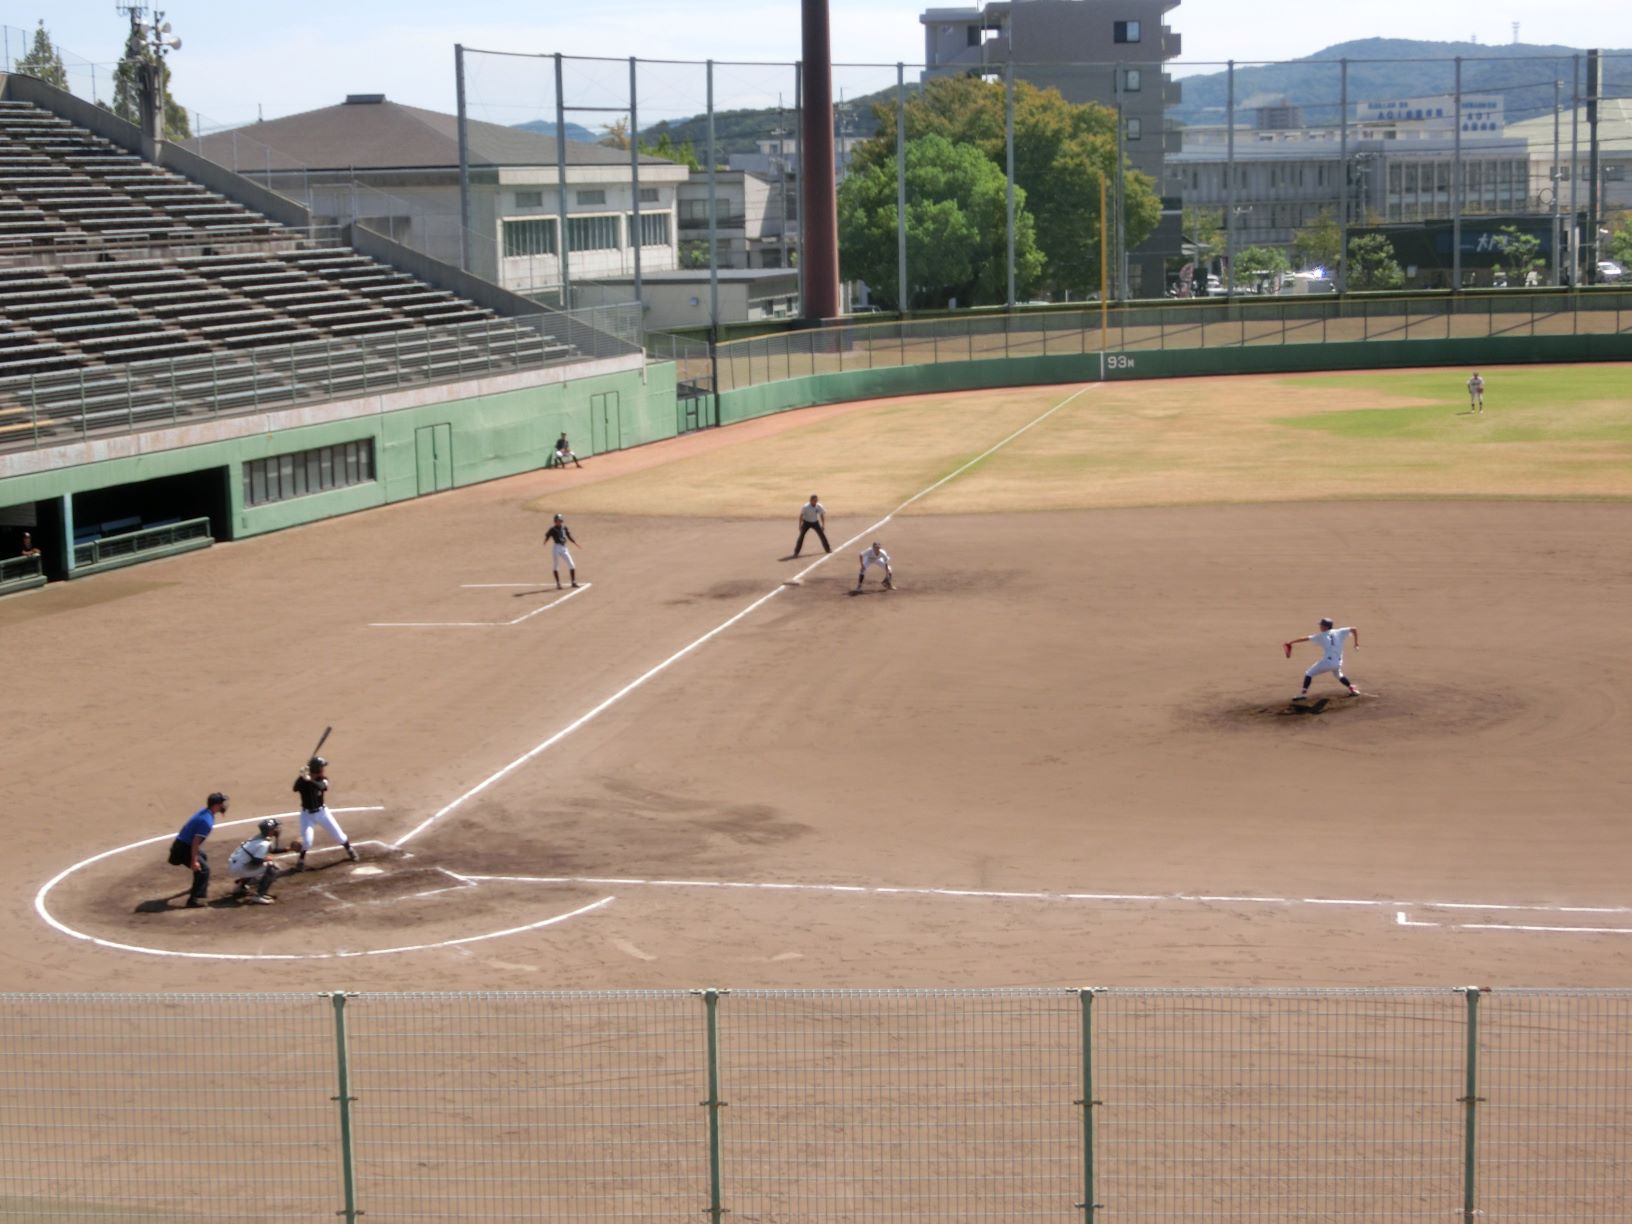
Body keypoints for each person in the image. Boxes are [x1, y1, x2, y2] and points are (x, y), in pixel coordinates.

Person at [291, 756, 358, 871]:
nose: (324, 769)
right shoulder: (303, 781)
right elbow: (295, 788)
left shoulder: (323, 779)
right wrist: (301, 777)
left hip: (322, 813)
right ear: (317, 769)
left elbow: (322, 786)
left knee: (339, 836)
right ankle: (301, 860)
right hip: (307, 815)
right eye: (322, 767)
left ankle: (349, 849)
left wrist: (309, 779)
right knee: (307, 841)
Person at [167, 792, 228, 908]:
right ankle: (195, 900)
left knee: (203, 857)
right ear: (215, 805)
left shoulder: (204, 812)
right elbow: (195, 842)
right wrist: (194, 861)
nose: (223, 806)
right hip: (182, 848)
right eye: (221, 803)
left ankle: (197, 886)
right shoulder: (207, 821)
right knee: (204, 869)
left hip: (181, 844)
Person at [1285, 617, 1361, 700]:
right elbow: (1354, 629)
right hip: (1338, 662)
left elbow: (1305, 638)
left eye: (1321, 625)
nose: (1319, 626)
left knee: (1309, 673)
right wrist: (1356, 643)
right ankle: (1352, 689)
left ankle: (1303, 694)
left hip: (1328, 662)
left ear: (1326, 627)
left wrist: (1291, 642)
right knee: (1338, 675)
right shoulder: (1340, 631)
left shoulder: (1320, 636)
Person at [226, 817, 291, 904]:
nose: (277, 830)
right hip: (239, 868)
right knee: (272, 868)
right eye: (275, 828)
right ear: (270, 830)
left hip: (234, 864)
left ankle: (240, 888)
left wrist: (287, 849)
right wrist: (265, 859)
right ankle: (259, 895)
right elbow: (256, 862)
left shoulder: (258, 837)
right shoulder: (263, 844)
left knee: (255, 863)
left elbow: (270, 850)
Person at [544, 513, 580, 589]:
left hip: (564, 548)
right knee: (556, 565)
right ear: (555, 521)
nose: (559, 522)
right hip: (556, 547)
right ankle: (558, 584)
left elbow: (569, 536)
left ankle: (573, 582)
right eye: (557, 520)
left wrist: (575, 542)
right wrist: (545, 542)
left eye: (560, 520)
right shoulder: (552, 529)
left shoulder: (564, 528)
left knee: (572, 565)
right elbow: (548, 536)